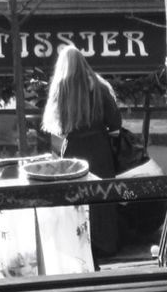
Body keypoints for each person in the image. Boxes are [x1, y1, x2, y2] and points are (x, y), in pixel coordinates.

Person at [41, 46, 122, 259]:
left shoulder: (60, 88)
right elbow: (115, 124)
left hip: (73, 150)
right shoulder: (98, 85)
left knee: (75, 198)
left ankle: (78, 245)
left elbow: (56, 125)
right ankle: (106, 245)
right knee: (103, 194)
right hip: (99, 147)